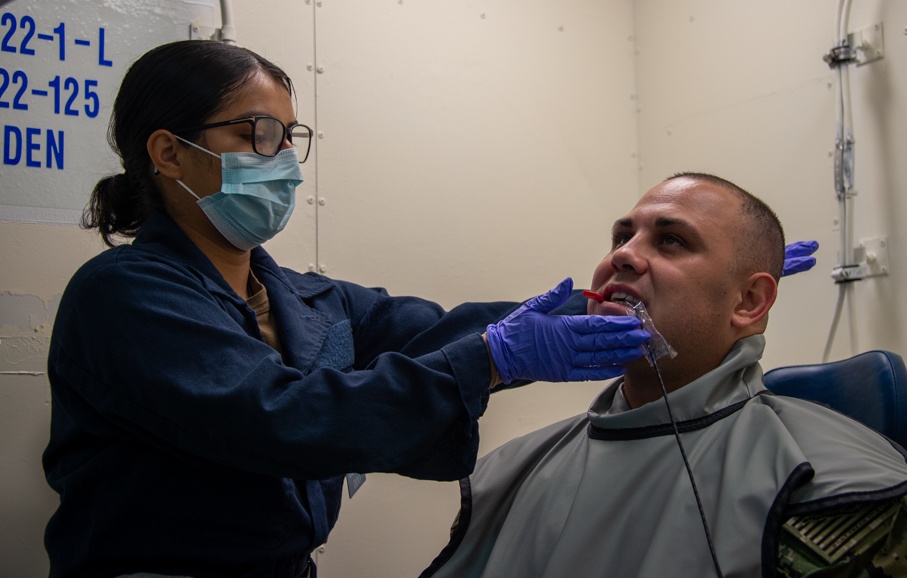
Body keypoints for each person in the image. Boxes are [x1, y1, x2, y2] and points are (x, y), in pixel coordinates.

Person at [41, 40, 653, 578]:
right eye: (256, 134)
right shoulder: (125, 295)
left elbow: (434, 331)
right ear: (169, 153)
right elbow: (282, 419)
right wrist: (492, 358)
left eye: (288, 137)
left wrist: (596, 306)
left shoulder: (307, 299)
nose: (281, 161)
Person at [422, 173, 907, 578]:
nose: (623, 255)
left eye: (671, 241)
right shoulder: (504, 473)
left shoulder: (837, 493)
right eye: (620, 238)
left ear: (749, 300)